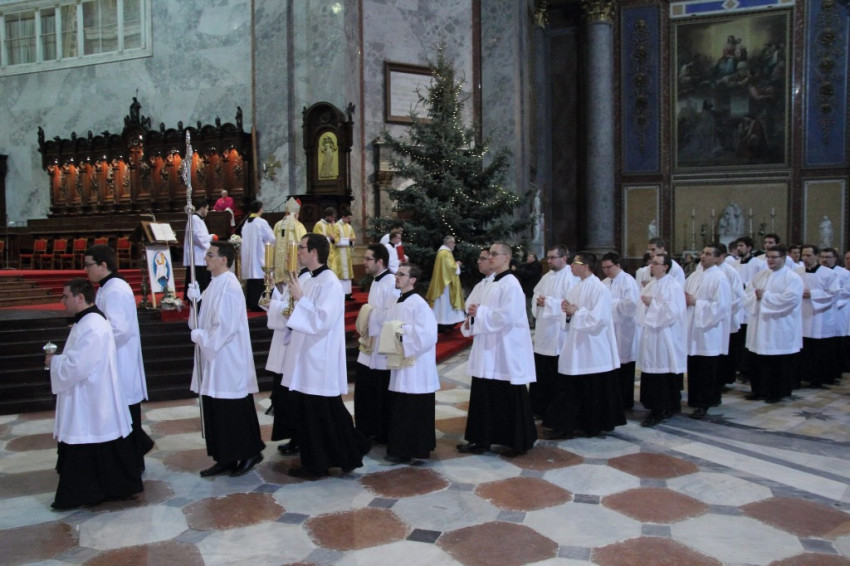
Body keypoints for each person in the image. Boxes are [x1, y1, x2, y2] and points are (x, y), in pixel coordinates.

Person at [46, 278, 143, 509]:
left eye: (66, 296)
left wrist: (54, 362)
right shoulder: (87, 321)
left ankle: (86, 492)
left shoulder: (93, 325)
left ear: (80, 298)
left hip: (91, 397)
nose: (62, 301)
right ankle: (107, 488)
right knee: (99, 442)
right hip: (91, 394)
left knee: (90, 437)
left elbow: (78, 366)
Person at [282, 233, 369, 477]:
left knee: (318, 415)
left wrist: (300, 299)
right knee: (316, 414)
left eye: (302, 248)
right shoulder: (311, 279)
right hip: (306, 355)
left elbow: (322, 320)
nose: (298, 252)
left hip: (319, 358)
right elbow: (301, 314)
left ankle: (317, 465)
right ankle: (342, 453)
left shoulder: (330, 282)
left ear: (314, 252)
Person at [188, 242, 266, 477]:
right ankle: (225, 457)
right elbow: (199, 322)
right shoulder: (214, 284)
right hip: (214, 358)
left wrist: (201, 337)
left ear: (223, 259)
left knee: (231, 409)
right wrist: (195, 303)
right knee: (217, 409)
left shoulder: (230, 286)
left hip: (227, 358)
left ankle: (250, 452)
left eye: (210, 255)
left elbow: (225, 327)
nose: (206, 258)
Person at [458, 242, 537, 455]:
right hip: (487, 348)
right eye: (489, 254)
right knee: (483, 394)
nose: (490, 257)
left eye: (494, 254)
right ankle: (481, 440)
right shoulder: (489, 283)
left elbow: (507, 316)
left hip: (505, 349)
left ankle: (517, 442)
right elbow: (474, 308)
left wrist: (480, 313)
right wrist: (472, 314)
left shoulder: (511, 284)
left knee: (508, 394)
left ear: (506, 258)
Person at [83, 244, 154, 471]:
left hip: (120, 360)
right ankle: (132, 459)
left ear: (103, 265)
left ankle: (132, 463)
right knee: (123, 417)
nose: (86, 270)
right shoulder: (107, 287)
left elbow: (119, 330)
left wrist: (93, 346)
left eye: (89, 265)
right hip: (114, 359)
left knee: (126, 416)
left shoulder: (115, 289)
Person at [553, 251, 625, 438]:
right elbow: (568, 316)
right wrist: (567, 313)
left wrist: (576, 313)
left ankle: (592, 425)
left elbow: (599, 319)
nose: (571, 266)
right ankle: (571, 423)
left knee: (592, 386)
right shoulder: (575, 288)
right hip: (576, 345)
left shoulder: (600, 289)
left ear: (585, 266)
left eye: (575, 263)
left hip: (593, 346)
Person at [383, 263, 439, 463]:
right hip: (401, 362)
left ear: (413, 280)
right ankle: (401, 448)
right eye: (397, 273)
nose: (397, 277)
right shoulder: (397, 301)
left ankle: (415, 448)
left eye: (402, 274)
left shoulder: (418, 303)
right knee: (402, 406)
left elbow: (429, 334)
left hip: (416, 366)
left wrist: (402, 333)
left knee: (414, 408)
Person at [743, 245, 803, 402]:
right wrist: (755, 296)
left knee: (778, 362)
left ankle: (777, 393)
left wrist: (766, 296)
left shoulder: (792, 278)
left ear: (783, 258)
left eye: (774, 257)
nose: (770, 260)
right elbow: (747, 295)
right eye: (768, 257)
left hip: (779, 326)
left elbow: (791, 300)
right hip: (759, 325)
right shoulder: (760, 275)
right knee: (758, 360)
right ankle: (759, 390)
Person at [264, 265, 311, 455]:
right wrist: (272, 291)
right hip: (283, 342)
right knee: (282, 394)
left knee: (291, 397)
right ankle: (293, 436)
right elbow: (286, 305)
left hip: (292, 343)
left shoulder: (307, 279)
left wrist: (275, 306)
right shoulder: (298, 276)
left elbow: (296, 311)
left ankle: (298, 438)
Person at [354, 243, 398, 444]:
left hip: (382, 346)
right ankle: (366, 429)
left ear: (380, 261)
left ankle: (380, 431)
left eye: (368, 259)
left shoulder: (391, 283)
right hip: (369, 344)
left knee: (380, 390)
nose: (364, 262)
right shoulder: (375, 281)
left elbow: (391, 315)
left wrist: (367, 313)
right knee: (366, 389)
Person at [636, 254, 687, 426]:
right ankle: (654, 406)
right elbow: (639, 308)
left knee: (663, 372)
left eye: (656, 263)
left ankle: (663, 408)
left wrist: (652, 304)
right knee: (651, 371)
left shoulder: (673, 286)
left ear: (666, 267)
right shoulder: (651, 284)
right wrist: (647, 304)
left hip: (666, 337)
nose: (652, 266)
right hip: (651, 335)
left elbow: (672, 312)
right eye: (651, 263)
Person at [529, 245, 579, 418]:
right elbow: (535, 294)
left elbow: (571, 303)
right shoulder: (546, 277)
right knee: (541, 371)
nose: (549, 261)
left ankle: (554, 411)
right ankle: (538, 408)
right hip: (543, 332)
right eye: (548, 257)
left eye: (552, 257)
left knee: (556, 373)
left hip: (560, 334)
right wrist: (538, 301)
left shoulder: (572, 277)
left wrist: (548, 302)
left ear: (564, 258)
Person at [683, 245, 732, 419]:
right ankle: (695, 399)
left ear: (717, 258)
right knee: (694, 367)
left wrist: (696, 302)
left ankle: (705, 402)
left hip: (709, 330)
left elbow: (722, 307)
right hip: (693, 327)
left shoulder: (720, 278)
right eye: (703, 253)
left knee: (707, 369)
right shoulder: (694, 276)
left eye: (708, 254)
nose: (703, 256)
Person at [795, 245, 839, 389]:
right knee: (804, 349)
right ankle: (802, 375)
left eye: (808, 255)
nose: (805, 258)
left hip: (820, 316)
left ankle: (818, 378)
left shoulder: (828, 274)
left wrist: (813, 294)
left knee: (819, 350)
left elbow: (834, 293)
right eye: (803, 255)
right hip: (801, 314)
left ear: (816, 256)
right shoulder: (796, 272)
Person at [601, 252, 641, 411]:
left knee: (625, 366)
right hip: (609, 329)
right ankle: (613, 400)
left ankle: (625, 402)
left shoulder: (628, 281)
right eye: (603, 268)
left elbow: (630, 306)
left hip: (624, 330)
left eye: (609, 267)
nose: (606, 271)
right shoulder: (604, 283)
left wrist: (610, 304)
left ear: (618, 265)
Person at [715, 244, 745, 393]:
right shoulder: (702, 271)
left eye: (710, 254)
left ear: (722, 256)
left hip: (726, 318)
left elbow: (737, 296)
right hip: (709, 318)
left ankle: (724, 380)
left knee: (726, 351)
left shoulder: (730, 272)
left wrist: (721, 312)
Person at [819, 248, 849, 385]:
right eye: (822, 257)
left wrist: (829, 295)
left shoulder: (844, 273)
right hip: (821, 310)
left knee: (836, 344)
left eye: (828, 257)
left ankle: (835, 372)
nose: (825, 260)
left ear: (835, 259)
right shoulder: (818, 272)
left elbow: (846, 291)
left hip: (839, 309)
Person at [240, 200, 275, 311]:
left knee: (252, 280)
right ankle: (261, 303)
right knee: (260, 277)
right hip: (259, 255)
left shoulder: (246, 223)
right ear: (260, 209)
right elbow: (271, 238)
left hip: (249, 256)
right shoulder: (261, 222)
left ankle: (252, 303)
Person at [426, 235, 466, 331]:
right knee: (445, 304)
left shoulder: (443, 252)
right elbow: (450, 268)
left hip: (444, 282)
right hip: (445, 285)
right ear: (448, 243)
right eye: (453, 242)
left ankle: (445, 322)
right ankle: (445, 323)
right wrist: (457, 265)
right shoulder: (445, 253)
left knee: (443, 305)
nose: (454, 244)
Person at [183, 198, 213, 301]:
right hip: (197, 255)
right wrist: (210, 238)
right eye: (207, 209)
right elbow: (198, 237)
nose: (207, 211)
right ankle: (197, 298)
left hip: (199, 254)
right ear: (202, 208)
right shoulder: (195, 219)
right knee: (199, 279)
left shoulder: (197, 219)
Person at [272, 197, 307, 285]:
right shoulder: (298, 225)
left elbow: (272, 244)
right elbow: (303, 243)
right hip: (292, 264)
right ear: (296, 214)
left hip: (278, 265)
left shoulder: (277, 225)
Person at [333, 208, 357, 300]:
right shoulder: (336, 226)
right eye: (348, 218)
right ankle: (341, 294)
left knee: (348, 275)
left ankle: (348, 293)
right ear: (343, 217)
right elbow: (335, 241)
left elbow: (353, 239)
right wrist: (348, 240)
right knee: (341, 274)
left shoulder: (349, 227)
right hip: (339, 254)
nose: (349, 220)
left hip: (347, 254)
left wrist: (351, 241)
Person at [514, 252, 543, 328]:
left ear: (534, 258)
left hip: (530, 290)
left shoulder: (535, 267)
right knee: (528, 307)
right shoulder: (528, 266)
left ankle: (531, 322)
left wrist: (516, 270)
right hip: (527, 290)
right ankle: (530, 322)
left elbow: (526, 275)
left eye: (530, 256)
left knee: (529, 307)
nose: (527, 258)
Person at [312, 207, 338, 279]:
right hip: (322, 253)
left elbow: (334, 240)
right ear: (327, 216)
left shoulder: (330, 225)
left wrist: (332, 239)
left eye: (334, 217)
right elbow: (317, 240)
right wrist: (329, 238)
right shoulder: (319, 225)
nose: (333, 219)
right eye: (332, 217)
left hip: (331, 254)